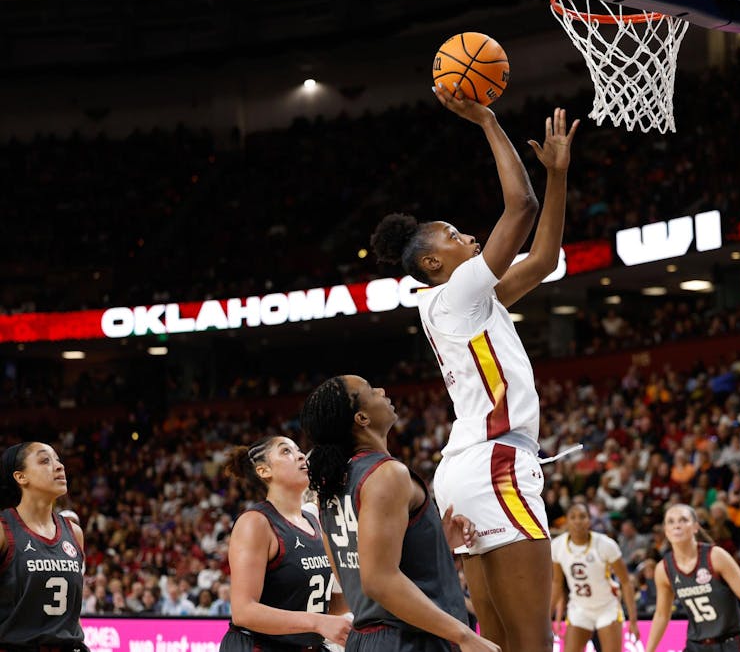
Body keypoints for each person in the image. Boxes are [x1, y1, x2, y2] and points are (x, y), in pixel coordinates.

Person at [369, 83, 579, 652]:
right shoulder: (457, 293)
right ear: (435, 262)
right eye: (457, 236)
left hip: (467, 471)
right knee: (532, 643)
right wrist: (487, 120)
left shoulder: (465, 303)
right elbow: (522, 208)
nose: (471, 236)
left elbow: (544, 259)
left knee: (499, 643)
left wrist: (558, 174)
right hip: (496, 462)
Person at [303, 375, 499, 652]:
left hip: (368, 639)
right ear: (361, 418)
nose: (382, 390)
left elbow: (353, 575)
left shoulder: (333, 487)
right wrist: (465, 636)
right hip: (409, 638)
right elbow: (377, 580)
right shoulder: (385, 474)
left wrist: (432, 540)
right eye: (371, 389)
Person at [219, 436, 351, 652]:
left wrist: (366, 591)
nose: (300, 455)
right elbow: (244, 612)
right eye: (286, 451)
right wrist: (318, 623)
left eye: (299, 450)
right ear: (264, 471)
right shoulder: (256, 522)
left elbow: (320, 606)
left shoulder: (314, 522)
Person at [0, 442, 88, 652]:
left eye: (58, 460)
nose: (59, 466)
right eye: (45, 460)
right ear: (21, 477)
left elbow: (71, 613)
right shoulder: (4, 530)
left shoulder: (74, 532)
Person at [646, 504, 740, 652]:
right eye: (671, 521)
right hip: (696, 646)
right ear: (666, 531)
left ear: (695, 527)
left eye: (683, 520)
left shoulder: (715, 556)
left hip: (732, 642)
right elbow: (662, 615)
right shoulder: (663, 569)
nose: (676, 525)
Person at [551, 503, 640, 652]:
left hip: (607, 608)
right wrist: (549, 616)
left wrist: (633, 620)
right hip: (579, 608)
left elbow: (625, 581)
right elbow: (557, 583)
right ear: (567, 521)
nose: (578, 521)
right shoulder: (557, 546)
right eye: (573, 517)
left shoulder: (605, 544)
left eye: (582, 516)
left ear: (589, 521)